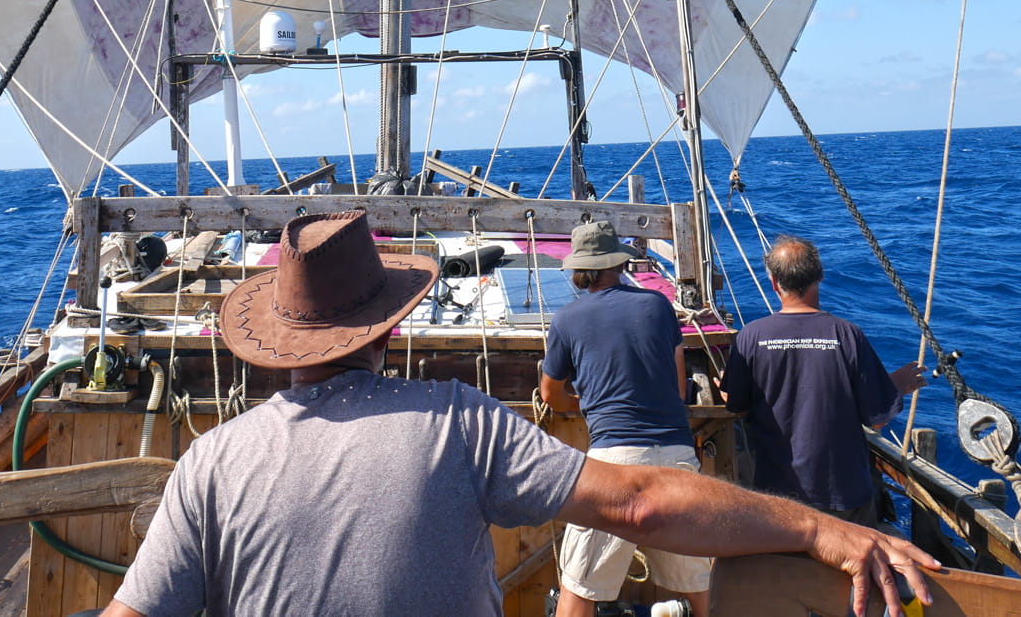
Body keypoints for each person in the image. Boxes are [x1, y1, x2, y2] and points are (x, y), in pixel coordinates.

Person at [101, 212, 937, 617]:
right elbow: (640, 498)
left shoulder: (208, 463)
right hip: (662, 457)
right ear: (387, 330)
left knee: (578, 592)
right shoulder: (455, 422)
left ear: (276, 341)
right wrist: (816, 530)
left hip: (617, 440)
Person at [538, 220, 711, 617]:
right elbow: (678, 382)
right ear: (619, 263)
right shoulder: (657, 305)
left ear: (580, 269)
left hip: (616, 465)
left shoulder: (567, 319)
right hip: (677, 457)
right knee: (695, 580)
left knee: (579, 586)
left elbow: (551, 393)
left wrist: (588, 404)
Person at [723, 235, 927, 526]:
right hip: (842, 494)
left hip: (778, 496)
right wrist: (895, 385)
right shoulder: (847, 335)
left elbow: (736, 406)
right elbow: (877, 420)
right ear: (819, 277)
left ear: (773, 283)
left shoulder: (750, 337)